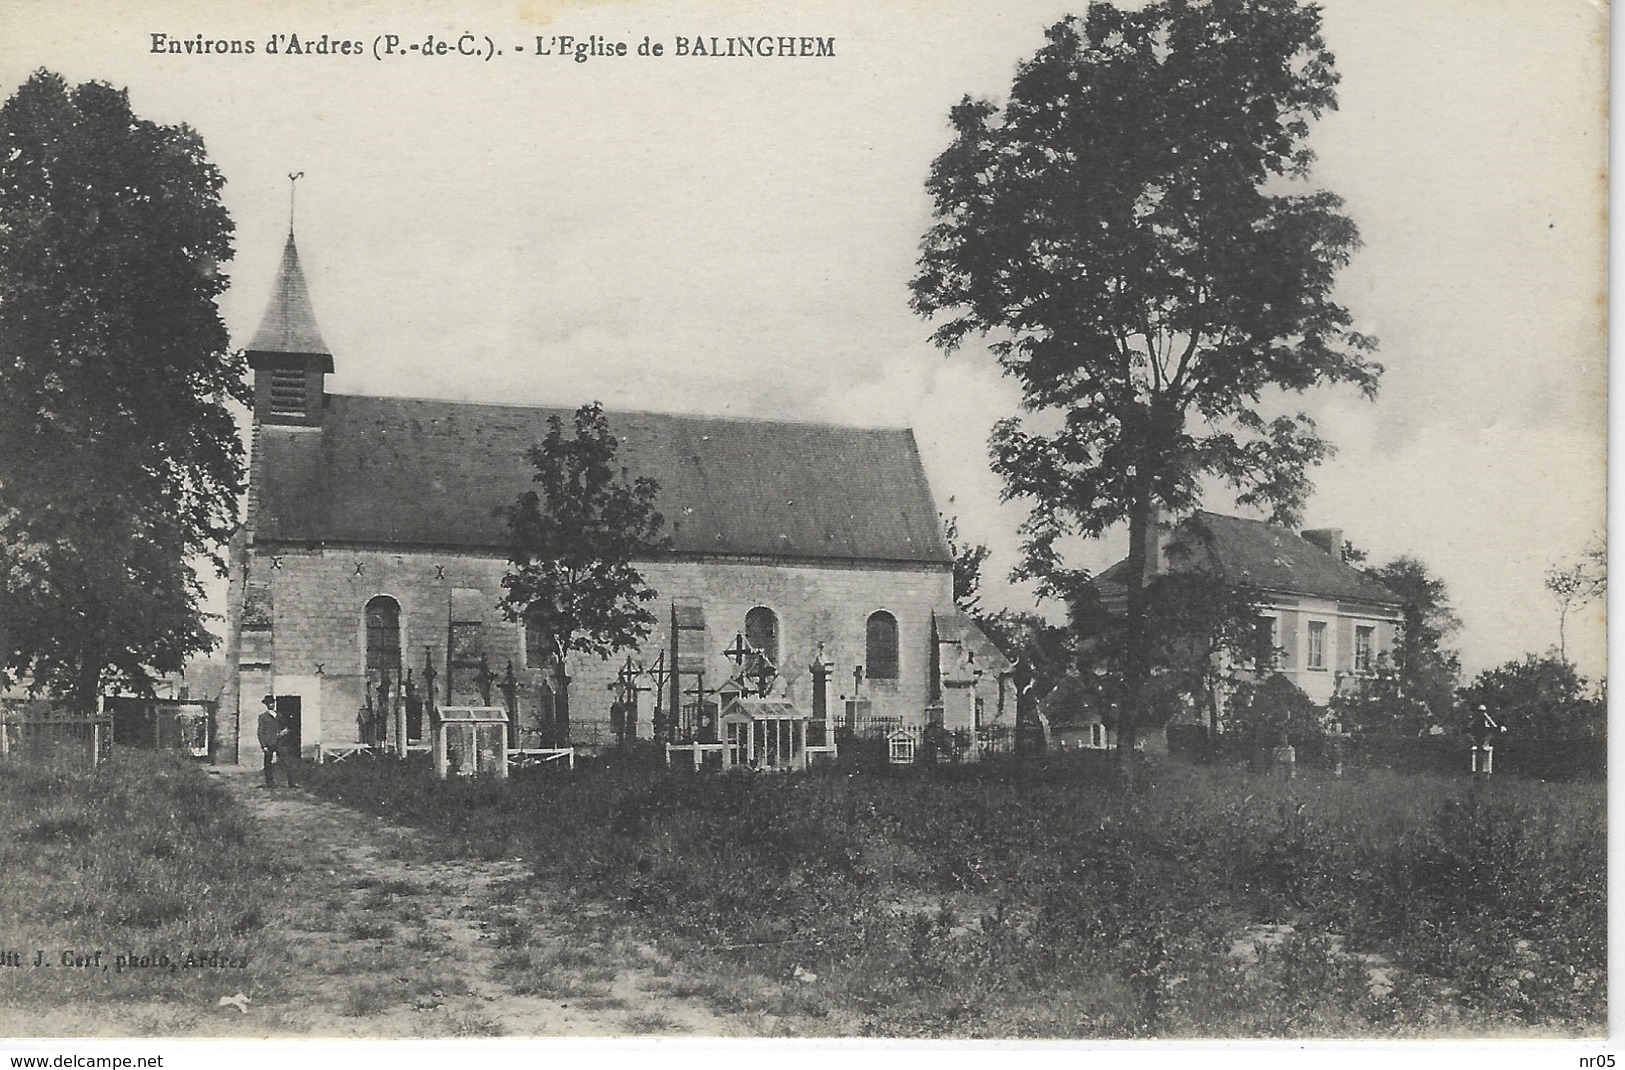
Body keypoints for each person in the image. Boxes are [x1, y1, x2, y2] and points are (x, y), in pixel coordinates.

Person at [257, 696, 282, 787]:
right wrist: (263, 745)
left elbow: (285, 727)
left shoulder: (279, 715)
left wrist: (283, 732)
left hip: (279, 742)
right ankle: (270, 782)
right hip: (269, 743)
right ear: (267, 705)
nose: (272, 704)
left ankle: (291, 782)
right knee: (268, 763)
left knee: (286, 761)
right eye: (270, 703)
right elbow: (260, 732)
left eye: (273, 703)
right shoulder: (263, 717)